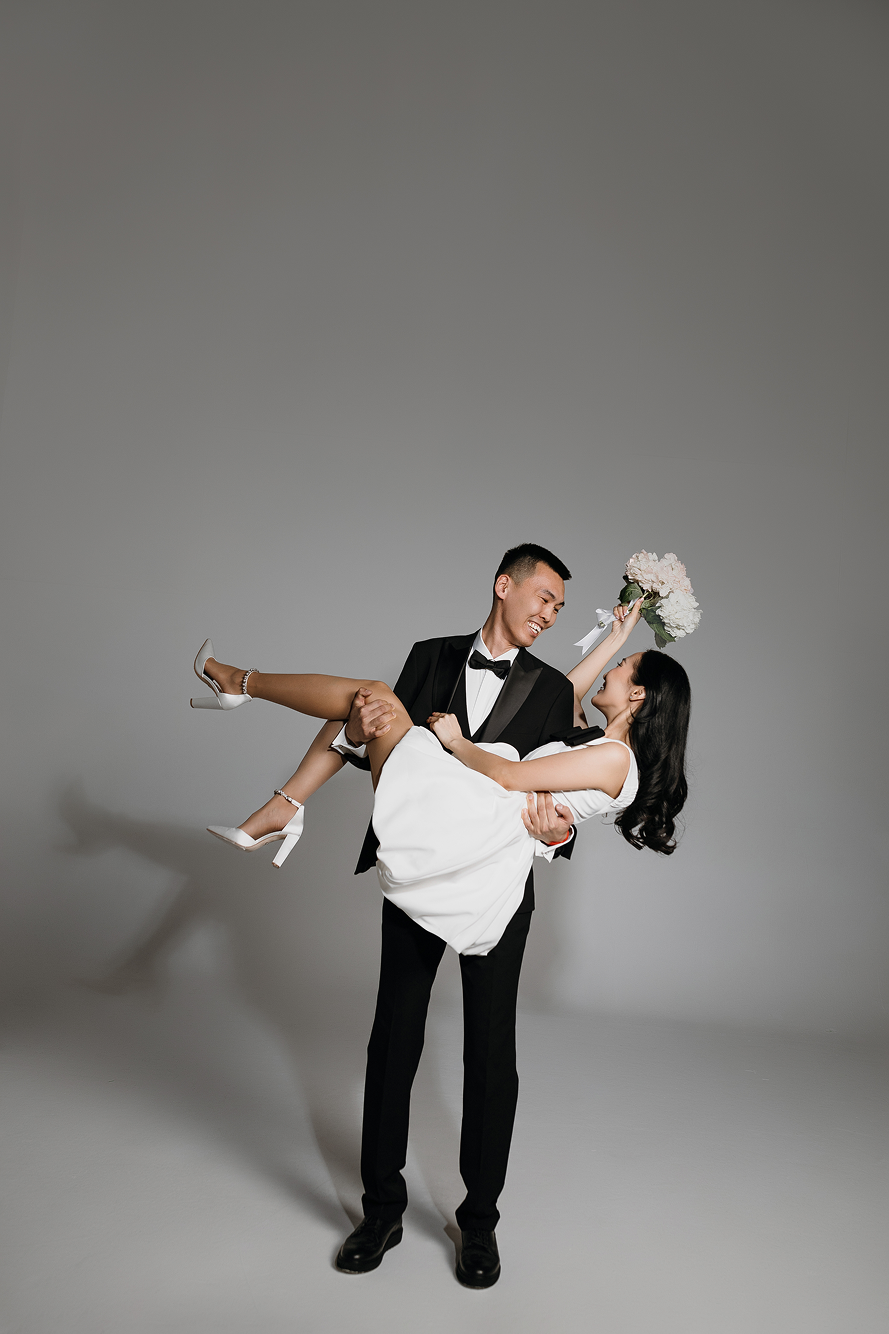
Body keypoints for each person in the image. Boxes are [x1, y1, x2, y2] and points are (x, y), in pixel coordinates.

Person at [191, 545, 691, 1286]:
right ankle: (381, 1211)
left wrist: (555, 831)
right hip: (429, 854)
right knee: (393, 1038)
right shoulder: (430, 656)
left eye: (561, 607)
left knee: (489, 1058)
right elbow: (366, 735)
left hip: (494, 875)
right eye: (545, 598)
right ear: (503, 586)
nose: (553, 615)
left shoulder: (557, 692)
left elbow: (553, 785)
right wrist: (617, 638)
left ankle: (479, 1224)